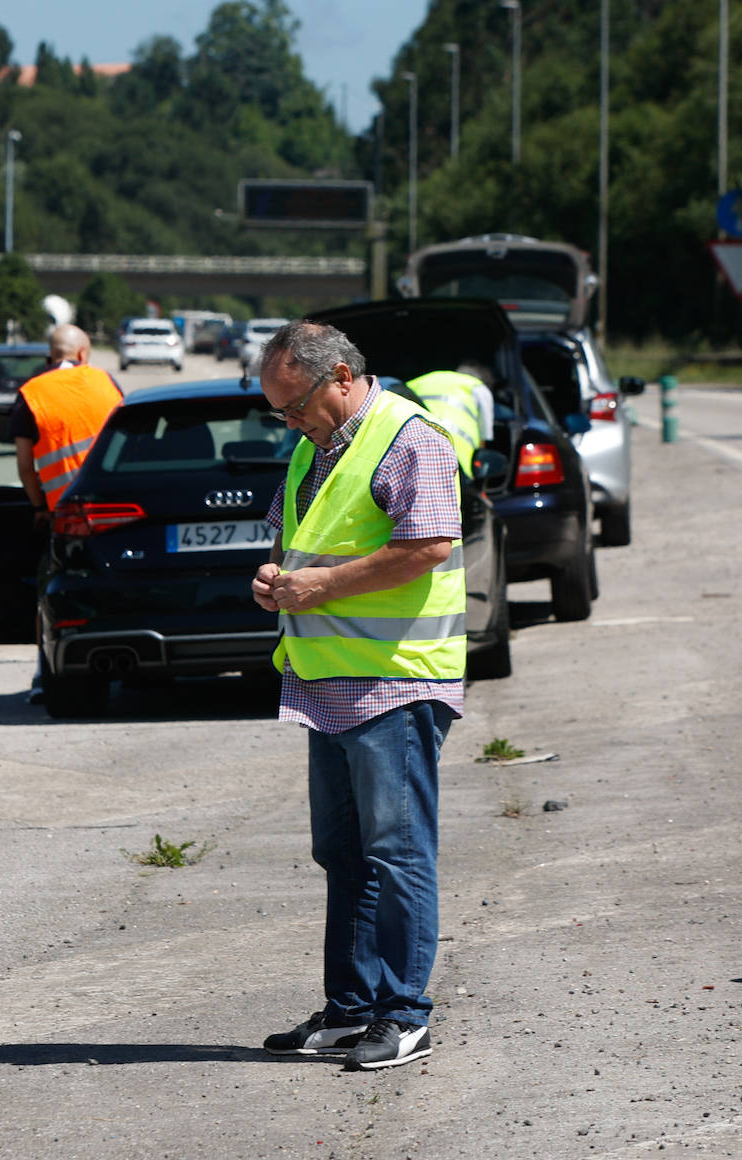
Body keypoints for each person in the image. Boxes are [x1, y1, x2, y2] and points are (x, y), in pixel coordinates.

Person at [250, 320, 466, 1072]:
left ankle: (404, 1014)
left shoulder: (410, 437)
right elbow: (293, 545)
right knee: (342, 852)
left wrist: (321, 585)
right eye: (278, 410)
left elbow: (429, 543)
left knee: (397, 853)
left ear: (340, 375)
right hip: (328, 681)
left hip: (395, 681)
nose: (290, 421)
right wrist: (274, 578)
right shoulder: (314, 447)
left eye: (296, 403)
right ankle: (351, 1009)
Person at [9, 323, 123, 702]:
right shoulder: (106, 383)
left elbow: (26, 465)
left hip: (66, 516)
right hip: (116, 510)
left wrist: (39, 507)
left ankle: (48, 674)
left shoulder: (31, 394)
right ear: (83, 355)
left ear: (50, 356)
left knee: (52, 592)